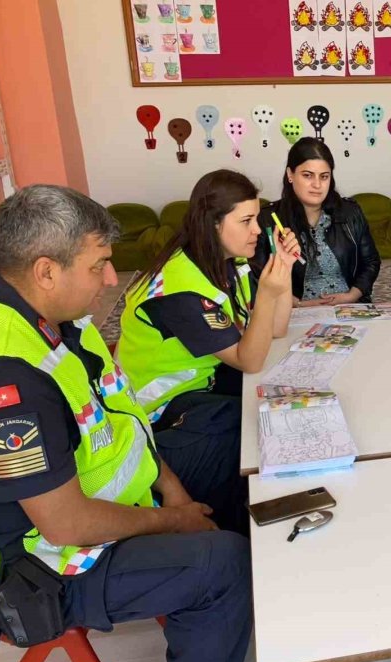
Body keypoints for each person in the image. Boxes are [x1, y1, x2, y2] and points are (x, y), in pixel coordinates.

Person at [0, 185, 250, 662]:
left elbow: (128, 424)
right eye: (97, 264)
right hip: (41, 565)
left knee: (234, 435)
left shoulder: (66, 322)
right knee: (224, 565)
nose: (108, 279)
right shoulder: (4, 372)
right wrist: (174, 520)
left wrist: (179, 498)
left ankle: (229, 600)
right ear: (46, 271)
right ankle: (214, 587)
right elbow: (65, 525)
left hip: (109, 502)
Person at [118, 169, 299, 533]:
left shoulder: (230, 265)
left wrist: (285, 267)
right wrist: (267, 293)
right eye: (246, 220)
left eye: (258, 219)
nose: (256, 231)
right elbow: (250, 358)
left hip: (204, 392)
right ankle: (241, 532)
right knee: (257, 427)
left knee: (274, 408)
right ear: (213, 224)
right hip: (162, 418)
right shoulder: (180, 289)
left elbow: (275, 330)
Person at [255, 137, 381, 306]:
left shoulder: (350, 212)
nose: (317, 184)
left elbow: (371, 261)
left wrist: (352, 295)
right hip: (293, 311)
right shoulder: (269, 218)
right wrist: (295, 303)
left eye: (324, 176)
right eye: (307, 175)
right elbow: (255, 274)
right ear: (290, 174)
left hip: (348, 307)